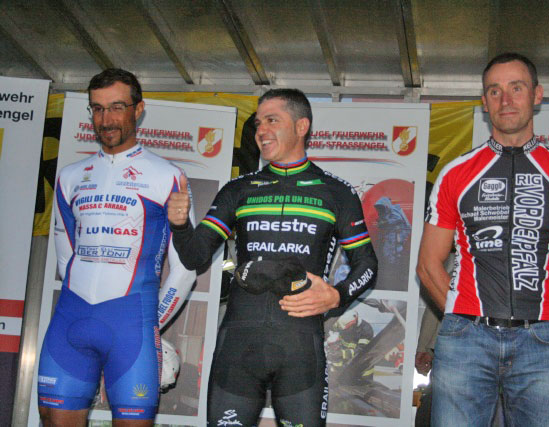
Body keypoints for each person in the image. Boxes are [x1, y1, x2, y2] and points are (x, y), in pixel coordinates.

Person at [167, 88, 378, 426]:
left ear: (301, 126)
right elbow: (195, 256)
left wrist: (337, 295)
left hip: (300, 347)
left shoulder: (336, 192)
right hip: (238, 345)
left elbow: (367, 265)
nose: (261, 131)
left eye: (272, 121)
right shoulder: (238, 189)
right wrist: (179, 225)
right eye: (258, 123)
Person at [416, 52, 549, 426]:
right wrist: (462, 320)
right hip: (465, 342)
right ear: (484, 102)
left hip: (541, 346)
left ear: (537, 95)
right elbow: (428, 265)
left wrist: (543, 324)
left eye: (516, 88)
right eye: (494, 91)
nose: (505, 100)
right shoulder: (455, 174)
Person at [37, 68, 196, 426]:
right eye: (97, 108)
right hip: (71, 322)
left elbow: (186, 269)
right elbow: (66, 259)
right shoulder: (70, 177)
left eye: (116, 107)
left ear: (138, 109)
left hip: (132, 328)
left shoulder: (167, 176)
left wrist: (150, 322)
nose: (106, 119)